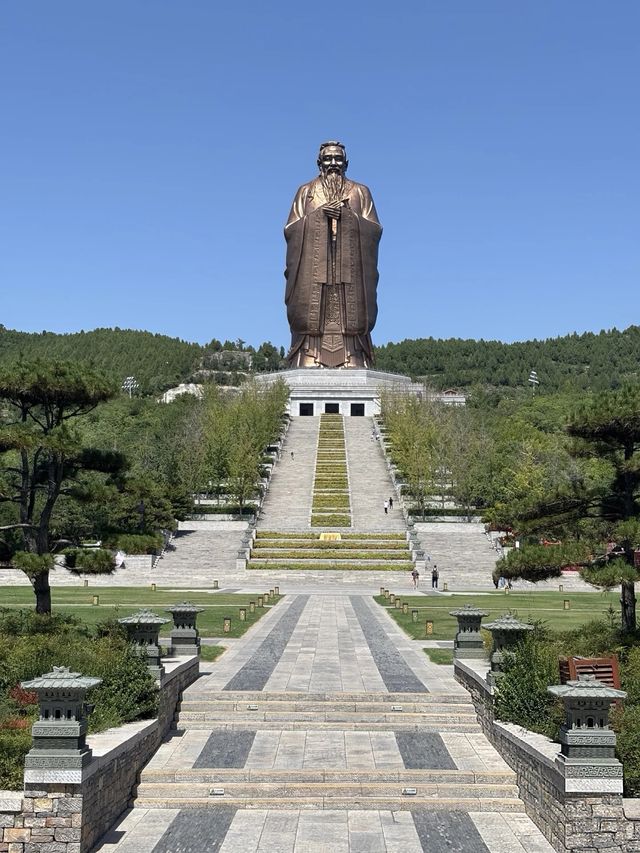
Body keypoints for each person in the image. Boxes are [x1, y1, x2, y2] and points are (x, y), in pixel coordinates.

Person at [284, 141, 382, 368]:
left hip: (350, 267)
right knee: (312, 305)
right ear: (319, 163)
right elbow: (291, 229)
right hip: (315, 264)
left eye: (338, 158)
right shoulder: (306, 192)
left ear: (346, 163)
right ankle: (309, 356)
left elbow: (374, 230)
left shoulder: (360, 192)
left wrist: (348, 217)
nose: (333, 163)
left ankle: (354, 355)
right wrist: (318, 216)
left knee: (350, 309)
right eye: (328, 159)